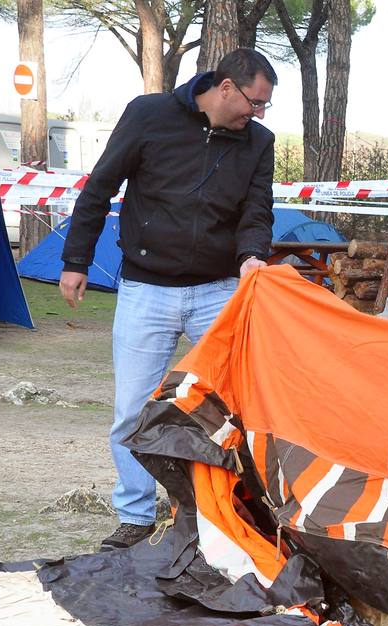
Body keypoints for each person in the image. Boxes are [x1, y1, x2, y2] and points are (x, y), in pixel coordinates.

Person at [59, 49, 277, 551]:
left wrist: (251, 256)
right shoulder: (149, 114)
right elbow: (100, 187)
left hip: (220, 292)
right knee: (133, 410)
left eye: (264, 106)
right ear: (225, 88)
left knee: (230, 411)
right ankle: (135, 516)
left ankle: (229, 514)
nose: (259, 114)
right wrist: (75, 260)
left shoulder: (258, 143)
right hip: (146, 289)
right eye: (255, 102)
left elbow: (257, 211)